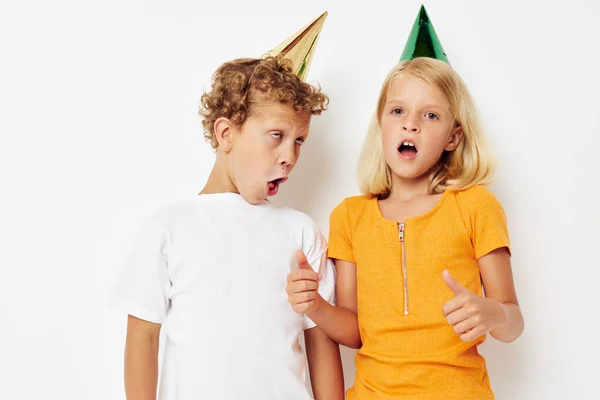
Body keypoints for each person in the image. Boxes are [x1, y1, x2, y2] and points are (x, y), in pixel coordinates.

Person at [285, 6, 524, 399]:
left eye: (430, 115)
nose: (410, 123)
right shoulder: (350, 216)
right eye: (398, 111)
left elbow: (512, 321)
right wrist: (314, 306)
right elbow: (355, 331)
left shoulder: (475, 206)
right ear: (383, 124)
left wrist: (492, 313)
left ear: (453, 136)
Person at [111, 12, 345, 400]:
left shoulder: (301, 232)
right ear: (226, 133)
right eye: (277, 135)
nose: (290, 155)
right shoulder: (169, 228)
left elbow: (320, 341)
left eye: (300, 140)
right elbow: (143, 335)